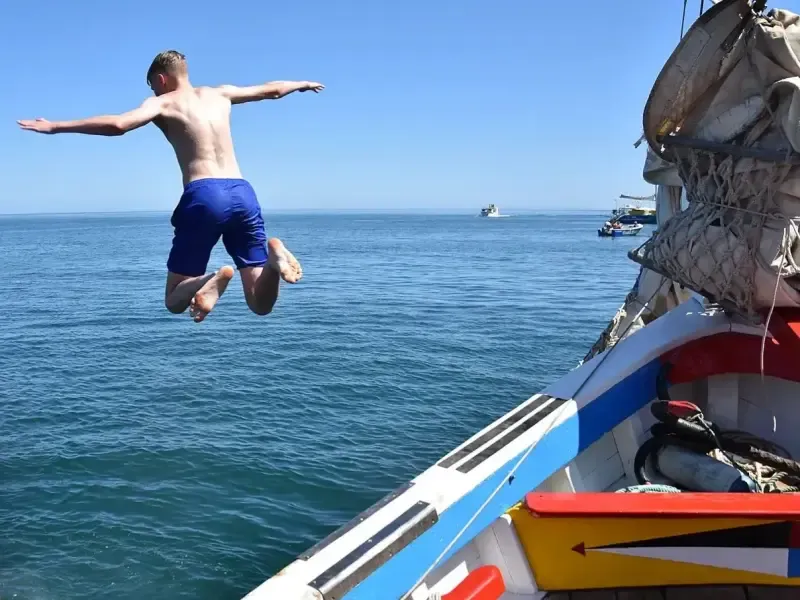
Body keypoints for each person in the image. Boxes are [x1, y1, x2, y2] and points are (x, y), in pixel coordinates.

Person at [18, 50, 324, 322]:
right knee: (260, 305)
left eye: (152, 85)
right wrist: (302, 83)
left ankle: (213, 278)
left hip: (204, 194)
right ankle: (272, 262)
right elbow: (271, 91)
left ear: (161, 79)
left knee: (174, 300)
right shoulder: (219, 93)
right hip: (242, 192)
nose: (152, 90)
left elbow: (119, 125)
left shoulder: (163, 102)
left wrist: (57, 126)